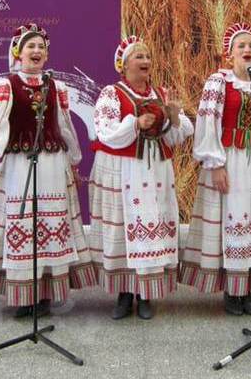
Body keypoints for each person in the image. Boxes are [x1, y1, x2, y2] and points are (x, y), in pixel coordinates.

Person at [0, 23, 95, 317]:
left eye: (41, 46)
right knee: (24, 225)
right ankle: (23, 296)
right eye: (31, 46)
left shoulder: (57, 86)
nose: (37, 51)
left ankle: (45, 293)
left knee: (51, 227)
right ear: (17, 52)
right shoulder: (6, 86)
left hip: (53, 164)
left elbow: (65, 125)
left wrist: (74, 159)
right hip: (20, 164)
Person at [88, 36, 193, 319]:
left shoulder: (160, 93)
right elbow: (105, 131)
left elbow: (178, 135)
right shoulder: (111, 94)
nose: (146, 61)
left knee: (151, 225)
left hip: (155, 172)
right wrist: (135, 123)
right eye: (139, 57)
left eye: (147, 56)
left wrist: (172, 116)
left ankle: (145, 295)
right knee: (125, 227)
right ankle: (124, 293)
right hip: (124, 171)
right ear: (123, 65)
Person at [180, 23, 251, 315]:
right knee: (232, 216)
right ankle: (232, 291)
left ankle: (248, 287)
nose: (247, 50)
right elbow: (208, 122)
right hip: (230, 158)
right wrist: (216, 164)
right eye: (241, 46)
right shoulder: (218, 82)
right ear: (230, 53)